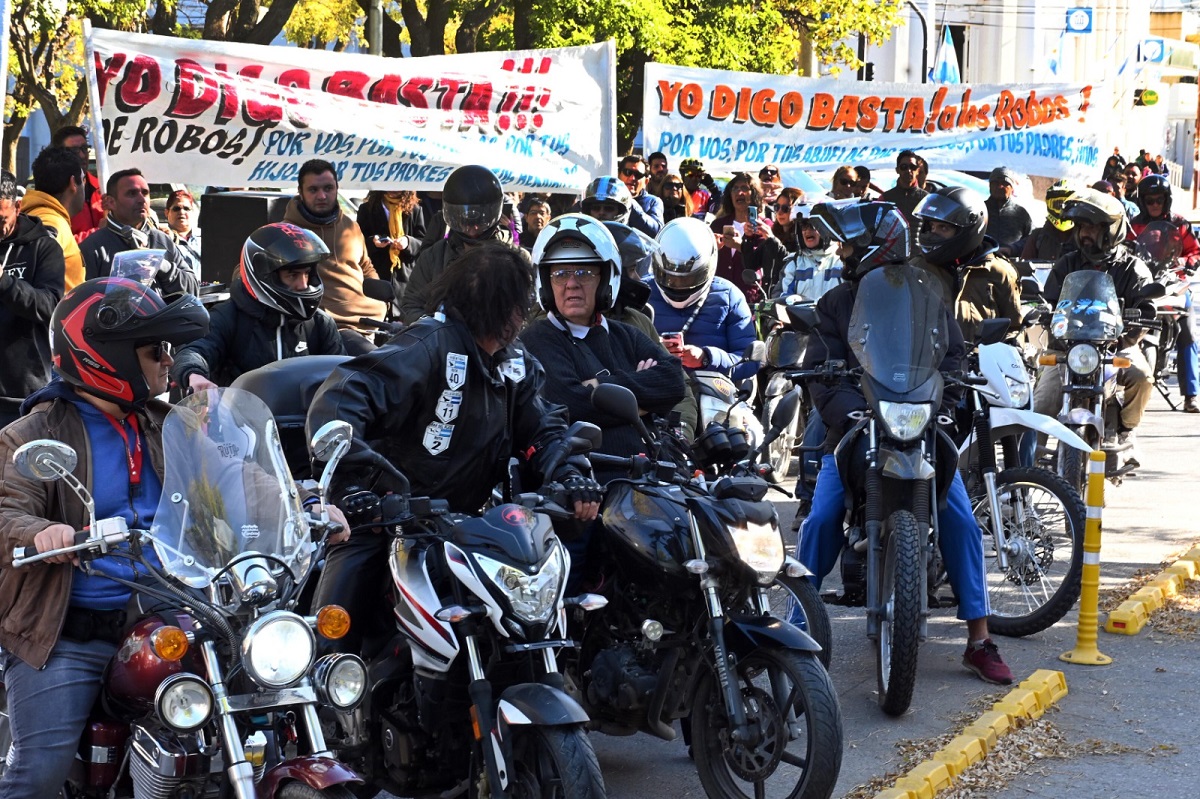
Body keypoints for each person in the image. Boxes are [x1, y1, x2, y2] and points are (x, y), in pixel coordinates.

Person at [306, 242, 602, 654]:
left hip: (469, 526)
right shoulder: (428, 344)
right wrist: (351, 484)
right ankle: (321, 695)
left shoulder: (515, 364)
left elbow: (544, 430)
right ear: (495, 304)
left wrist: (569, 474)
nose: (523, 315)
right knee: (336, 624)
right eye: (517, 303)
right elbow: (343, 397)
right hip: (387, 517)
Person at [0, 277, 210, 797]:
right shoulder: (34, 433)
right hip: (69, 633)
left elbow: (232, 478)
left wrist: (304, 504)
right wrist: (41, 530)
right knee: (37, 775)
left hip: (167, 620)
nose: (168, 360)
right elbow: (6, 507)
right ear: (107, 356)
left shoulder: (170, 425)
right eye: (153, 349)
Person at [796, 200, 1014, 685]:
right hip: (855, 427)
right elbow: (823, 372)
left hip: (920, 424)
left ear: (875, 248)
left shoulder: (925, 295)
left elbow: (952, 355)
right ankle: (796, 627)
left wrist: (952, 392)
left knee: (960, 521)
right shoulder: (836, 302)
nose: (842, 253)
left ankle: (979, 639)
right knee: (824, 515)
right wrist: (848, 407)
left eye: (849, 245)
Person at [520, 214, 685, 484]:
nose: (571, 283)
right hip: (587, 489)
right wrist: (643, 397)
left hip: (651, 480)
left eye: (584, 272)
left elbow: (673, 381)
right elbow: (570, 405)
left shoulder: (625, 334)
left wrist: (603, 385)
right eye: (560, 273)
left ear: (605, 277)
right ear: (546, 283)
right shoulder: (538, 339)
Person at [1035, 188, 1155, 463]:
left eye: (1092, 227)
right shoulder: (1067, 263)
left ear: (1111, 230)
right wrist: (1043, 313)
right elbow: (1049, 301)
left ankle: (1125, 430)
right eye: (1081, 227)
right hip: (1071, 350)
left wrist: (1129, 335)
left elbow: (1147, 308)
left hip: (1115, 347)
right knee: (1040, 404)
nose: (1085, 233)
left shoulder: (1132, 268)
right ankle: (1024, 479)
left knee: (1142, 378)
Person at [171, 223, 347, 393]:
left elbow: (344, 378)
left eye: (307, 274)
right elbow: (195, 350)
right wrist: (194, 375)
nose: (303, 285)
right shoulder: (227, 317)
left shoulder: (319, 323)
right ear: (264, 275)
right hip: (239, 419)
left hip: (310, 420)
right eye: (292, 275)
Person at [282, 160, 386, 352]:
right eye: (313, 190)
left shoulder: (351, 226)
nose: (322, 196)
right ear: (300, 191)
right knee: (377, 365)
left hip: (369, 320)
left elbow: (365, 265)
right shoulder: (286, 233)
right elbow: (251, 271)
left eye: (328, 188)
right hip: (328, 326)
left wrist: (378, 291)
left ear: (337, 188)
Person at [401, 165, 515, 325]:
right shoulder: (434, 256)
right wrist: (439, 329)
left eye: (479, 221)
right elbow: (411, 305)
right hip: (441, 345)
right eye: (465, 220)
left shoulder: (514, 259)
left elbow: (525, 312)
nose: (472, 228)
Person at [649, 217, 758, 378]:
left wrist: (706, 359)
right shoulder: (640, 293)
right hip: (653, 394)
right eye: (670, 278)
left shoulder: (729, 296)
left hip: (714, 397)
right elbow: (619, 353)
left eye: (688, 278)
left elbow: (750, 361)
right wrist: (653, 347)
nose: (678, 285)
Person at [913, 187, 1022, 345]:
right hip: (929, 365)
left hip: (981, 365)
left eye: (943, 227)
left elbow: (1014, 327)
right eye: (931, 226)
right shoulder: (916, 269)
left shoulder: (1000, 272)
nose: (933, 233)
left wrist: (1011, 346)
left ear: (968, 229)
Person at [0, 169, 67, 430]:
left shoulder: (44, 247)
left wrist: (4, 282)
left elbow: (50, 306)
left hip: (22, 394)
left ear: (17, 206)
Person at [1128, 175, 1200, 413]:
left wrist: (1187, 261)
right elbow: (1122, 249)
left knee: (1188, 333)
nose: (1155, 204)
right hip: (1143, 283)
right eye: (1150, 200)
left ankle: (1191, 395)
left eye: (1159, 199)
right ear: (1142, 201)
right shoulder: (1132, 225)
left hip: (1173, 282)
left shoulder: (1180, 224)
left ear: (1167, 200)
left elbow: (1196, 251)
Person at [79, 168, 198, 297]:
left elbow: (193, 289)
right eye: (132, 193)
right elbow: (84, 302)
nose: (142, 199)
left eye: (145, 193)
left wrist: (162, 266)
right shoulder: (93, 248)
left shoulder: (162, 240)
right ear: (111, 202)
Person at [22, 146, 85, 291]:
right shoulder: (50, 223)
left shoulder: (38, 216)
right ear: (73, 183)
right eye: (83, 179)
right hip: (56, 314)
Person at [355, 190, 428, 302]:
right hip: (377, 273)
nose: (393, 190)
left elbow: (423, 242)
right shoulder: (367, 209)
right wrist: (373, 242)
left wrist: (408, 242)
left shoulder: (415, 209)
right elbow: (357, 241)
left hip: (405, 276)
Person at [710, 171, 769, 299]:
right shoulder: (718, 225)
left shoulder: (763, 226)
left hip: (748, 297)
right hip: (718, 294)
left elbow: (764, 260)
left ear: (754, 194)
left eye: (744, 188)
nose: (739, 192)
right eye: (735, 188)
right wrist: (712, 248)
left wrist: (739, 246)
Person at [51, 126, 104, 243]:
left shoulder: (103, 187)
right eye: (74, 151)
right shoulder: (54, 193)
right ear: (60, 153)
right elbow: (57, 243)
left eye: (84, 148)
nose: (82, 155)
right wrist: (101, 232)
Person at [1021, 181, 1077, 263]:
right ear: (1049, 205)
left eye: (1067, 204)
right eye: (1057, 204)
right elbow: (1025, 268)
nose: (1062, 209)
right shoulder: (1037, 236)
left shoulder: (1082, 237)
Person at [984, 167, 1033, 258]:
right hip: (982, 262)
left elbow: (1030, 239)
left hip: (1012, 265)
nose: (1000, 186)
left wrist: (1012, 249)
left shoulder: (1021, 214)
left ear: (1012, 188)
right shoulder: (980, 210)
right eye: (995, 183)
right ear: (989, 186)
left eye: (1005, 183)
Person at [617, 155, 665, 237]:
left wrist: (629, 201)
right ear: (618, 175)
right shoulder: (608, 197)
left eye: (638, 175)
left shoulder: (653, 202)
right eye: (627, 172)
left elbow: (656, 232)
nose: (632, 178)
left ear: (646, 181)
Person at [879, 150, 929, 227]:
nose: (909, 171)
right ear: (897, 170)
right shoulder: (885, 199)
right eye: (904, 167)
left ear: (917, 170)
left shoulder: (926, 199)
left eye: (913, 167)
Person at [160, 189, 202, 279]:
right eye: (176, 209)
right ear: (166, 212)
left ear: (193, 211)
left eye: (186, 208)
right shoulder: (161, 238)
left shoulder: (206, 237)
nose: (182, 212)